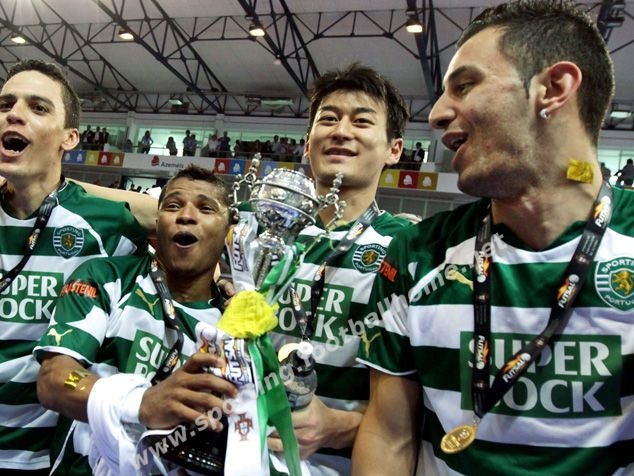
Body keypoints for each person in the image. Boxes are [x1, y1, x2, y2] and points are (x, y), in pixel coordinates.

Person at [353, 1, 633, 475]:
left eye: (464, 86)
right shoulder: (419, 254)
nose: (437, 114)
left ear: (553, 89)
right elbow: (388, 433)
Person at [35, 165, 236, 474]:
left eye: (206, 208)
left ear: (228, 231)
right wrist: (140, 403)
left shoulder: (232, 324)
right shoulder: (107, 278)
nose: (186, 215)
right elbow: (55, 379)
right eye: (173, 206)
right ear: (157, 223)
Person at [0, 59, 147, 474]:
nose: (14, 113)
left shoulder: (108, 227)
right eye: (6, 104)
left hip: (48, 459)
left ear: (70, 137)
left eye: (38, 107)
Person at [266, 63, 410, 475]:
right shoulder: (265, 228)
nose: (341, 131)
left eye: (361, 121)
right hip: (244, 453)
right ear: (306, 143)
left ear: (394, 150)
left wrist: (339, 428)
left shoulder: (409, 247)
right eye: (328, 119)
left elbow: (427, 409)